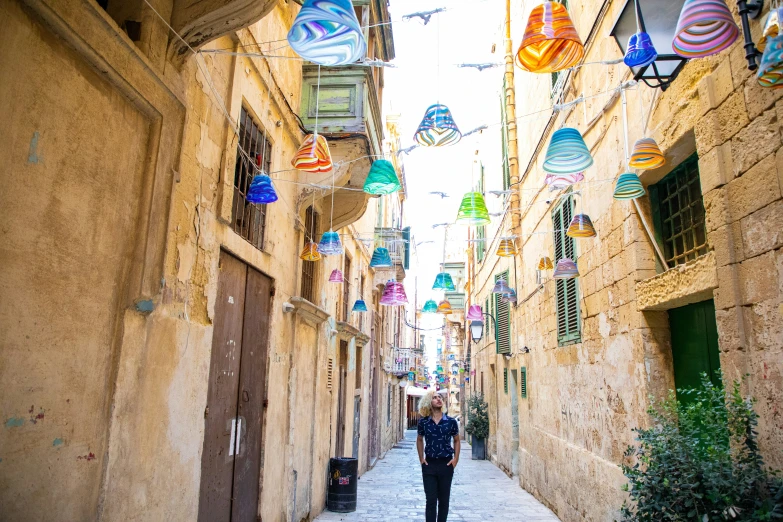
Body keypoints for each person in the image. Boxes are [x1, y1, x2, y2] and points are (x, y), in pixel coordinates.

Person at [416, 390, 460, 522]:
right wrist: (421, 459)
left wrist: (455, 459)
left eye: (439, 397)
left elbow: (456, 440)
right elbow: (419, 439)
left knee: (444, 500)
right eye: (434, 398)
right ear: (428, 402)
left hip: (446, 464)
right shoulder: (423, 422)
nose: (438, 399)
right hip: (429, 465)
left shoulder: (451, 422)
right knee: (430, 500)